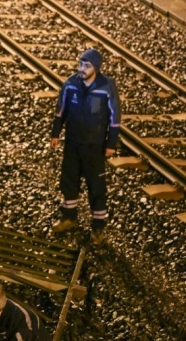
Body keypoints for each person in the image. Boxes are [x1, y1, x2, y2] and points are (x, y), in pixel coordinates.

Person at [49, 48, 120, 245]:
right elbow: (60, 110)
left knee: (96, 185)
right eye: (81, 63)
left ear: (96, 67)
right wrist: (56, 133)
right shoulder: (71, 84)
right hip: (73, 142)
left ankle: (98, 227)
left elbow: (115, 117)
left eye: (87, 65)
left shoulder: (106, 87)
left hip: (94, 146)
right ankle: (69, 217)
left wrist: (111, 143)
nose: (82, 68)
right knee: (69, 179)